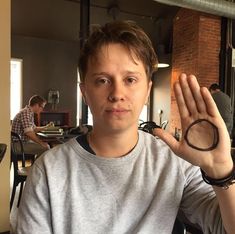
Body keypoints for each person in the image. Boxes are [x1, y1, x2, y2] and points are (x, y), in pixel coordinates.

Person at [16, 21, 235, 234]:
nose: (117, 94)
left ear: (148, 91)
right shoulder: (48, 172)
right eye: (102, 80)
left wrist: (220, 169)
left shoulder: (175, 163)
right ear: (85, 93)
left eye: (130, 79)